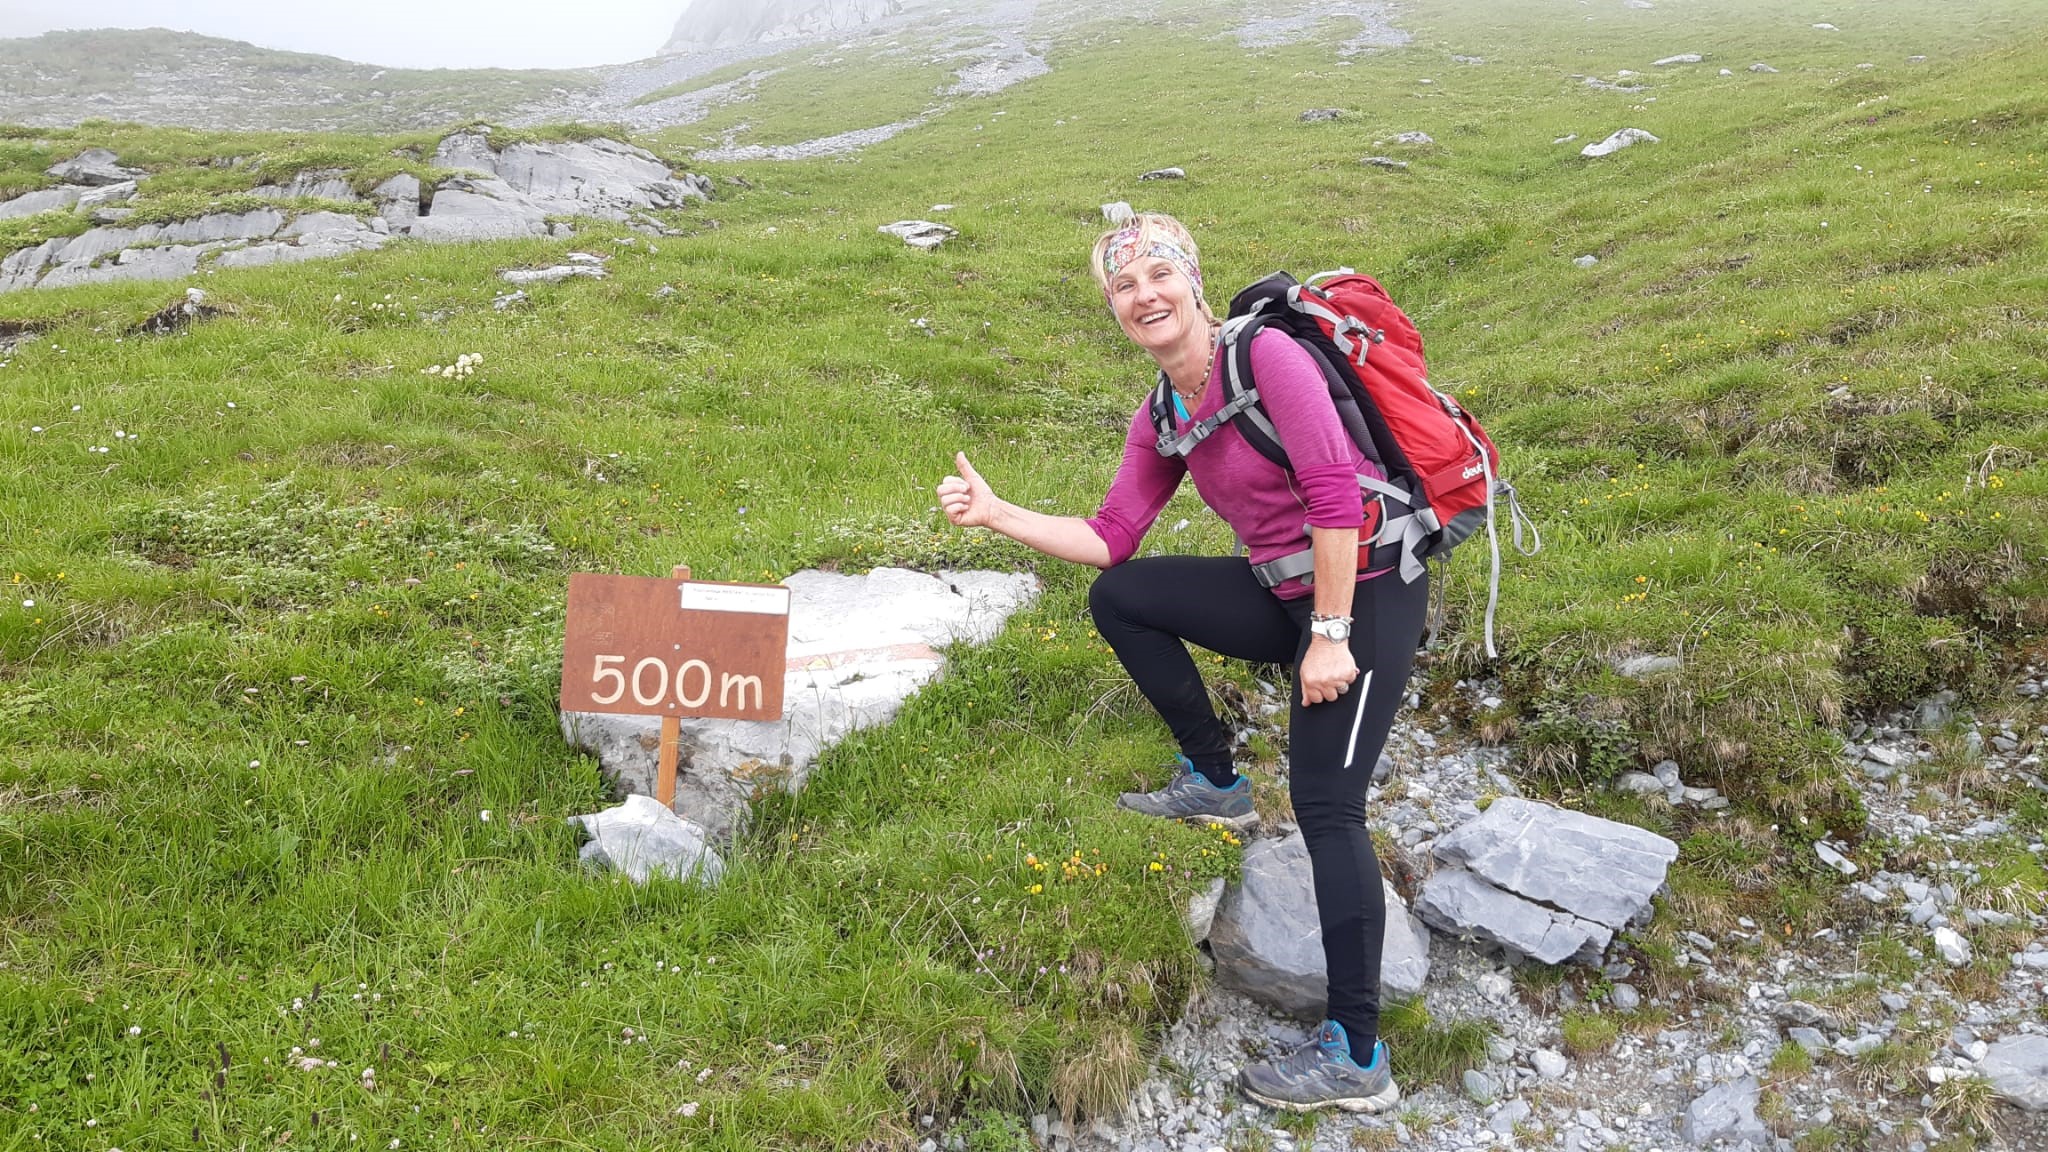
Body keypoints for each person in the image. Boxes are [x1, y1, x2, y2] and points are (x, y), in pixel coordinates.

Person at [935, 213, 1429, 1113]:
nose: (1144, 295)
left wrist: (1329, 635)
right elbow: (1111, 536)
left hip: (1365, 591)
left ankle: (1358, 1056)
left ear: (1194, 282)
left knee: (1326, 807)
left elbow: (1333, 496)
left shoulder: (1266, 357)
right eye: (1123, 285)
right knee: (1122, 596)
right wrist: (998, 514)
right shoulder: (1164, 410)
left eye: (1158, 274)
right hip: (1287, 591)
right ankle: (1215, 781)